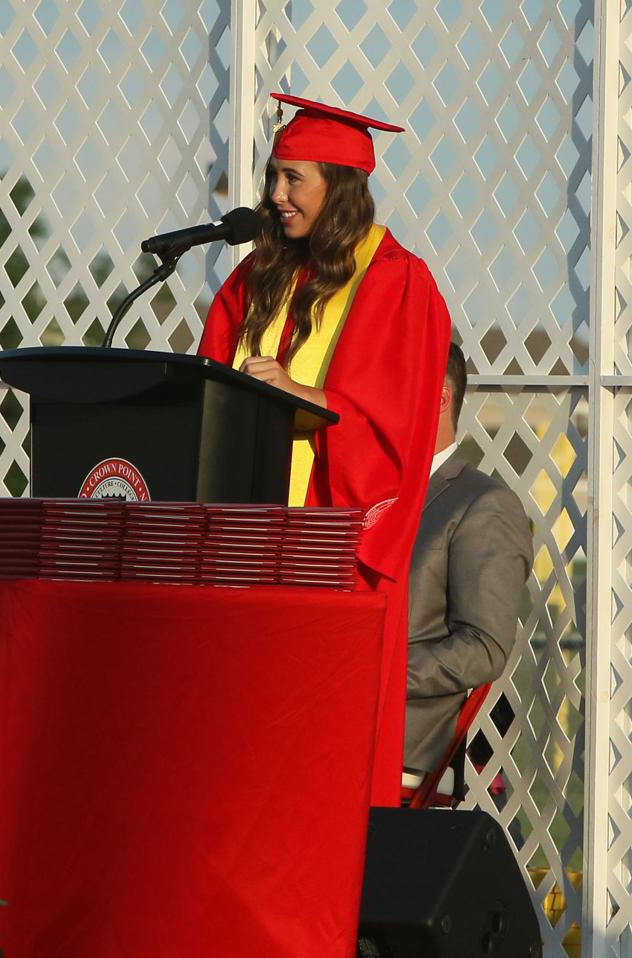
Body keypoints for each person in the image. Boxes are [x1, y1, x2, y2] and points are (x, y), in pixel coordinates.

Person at [198, 93, 451, 805]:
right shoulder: (253, 280)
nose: (275, 196)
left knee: (309, 768)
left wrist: (304, 400)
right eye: (273, 177)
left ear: (337, 188)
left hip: (329, 558)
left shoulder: (398, 283)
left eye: (292, 179)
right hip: (242, 559)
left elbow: (393, 435)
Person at [404, 342, 532, 791]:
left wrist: (372, 673)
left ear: (440, 397)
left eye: (389, 382)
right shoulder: (366, 492)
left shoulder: (484, 505)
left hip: (400, 740)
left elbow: (484, 647)